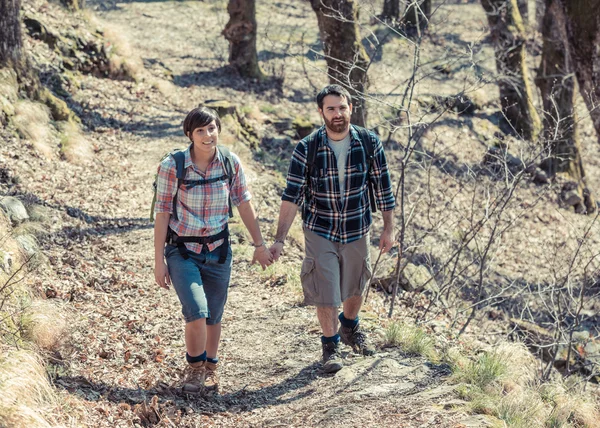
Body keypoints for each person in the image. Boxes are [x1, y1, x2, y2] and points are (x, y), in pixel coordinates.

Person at [269, 85, 395, 373]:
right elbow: (292, 196)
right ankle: (331, 345)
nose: (337, 114)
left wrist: (389, 229)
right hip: (319, 228)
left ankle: (349, 326)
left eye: (342, 107)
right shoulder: (307, 147)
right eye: (330, 109)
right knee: (325, 288)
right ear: (321, 112)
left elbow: (384, 190)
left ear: (350, 107)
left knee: (354, 283)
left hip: (356, 225)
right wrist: (279, 239)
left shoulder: (369, 143)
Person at [154, 106, 272, 394]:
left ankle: (210, 367)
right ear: (189, 135)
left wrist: (260, 245)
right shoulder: (174, 166)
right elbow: (162, 212)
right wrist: (158, 260)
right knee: (196, 311)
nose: (207, 135)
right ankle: (194, 370)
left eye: (211, 129)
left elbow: (244, 203)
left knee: (214, 316)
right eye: (200, 131)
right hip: (183, 251)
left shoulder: (230, 163)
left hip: (219, 251)